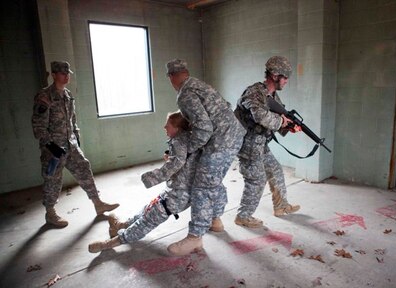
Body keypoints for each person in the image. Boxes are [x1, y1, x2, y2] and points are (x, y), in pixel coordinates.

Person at [88, 111, 201, 253]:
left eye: (167, 125)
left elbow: (176, 164)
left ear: (177, 127)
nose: (164, 128)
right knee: (148, 209)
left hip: (179, 195)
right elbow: (183, 163)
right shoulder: (185, 139)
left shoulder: (179, 141)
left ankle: (110, 243)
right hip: (175, 190)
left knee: (147, 221)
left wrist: (149, 177)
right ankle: (121, 225)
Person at [165, 59, 246, 256]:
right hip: (234, 137)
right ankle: (215, 220)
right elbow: (224, 106)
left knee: (201, 186)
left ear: (171, 77)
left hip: (220, 143)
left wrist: (189, 150)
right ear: (186, 71)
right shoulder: (201, 85)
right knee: (213, 181)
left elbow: (204, 127)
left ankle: (195, 238)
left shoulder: (184, 94)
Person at [31, 61, 119, 228]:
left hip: (70, 145)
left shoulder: (67, 95)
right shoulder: (44, 97)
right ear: (54, 75)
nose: (66, 76)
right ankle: (50, 213)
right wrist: (51, 146)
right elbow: (38, 125)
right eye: (62, 73)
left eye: (68, 73)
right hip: (53, 149)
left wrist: (76, 138)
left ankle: (97, 203)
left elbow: (72, 120)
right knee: (53, 180)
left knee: (84, 169)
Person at [234, 56, 301, 228]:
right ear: (275, 75)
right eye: (285, 77)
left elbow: (278, 120)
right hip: (247, 145)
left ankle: (281, 206)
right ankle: (243, 215)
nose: (286, 81)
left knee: (275, 171)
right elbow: (261, 116)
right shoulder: (254, 92)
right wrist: (281, 122)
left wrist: (290, 127)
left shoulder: (273, 97)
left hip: (260, 144)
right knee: (256, 180)